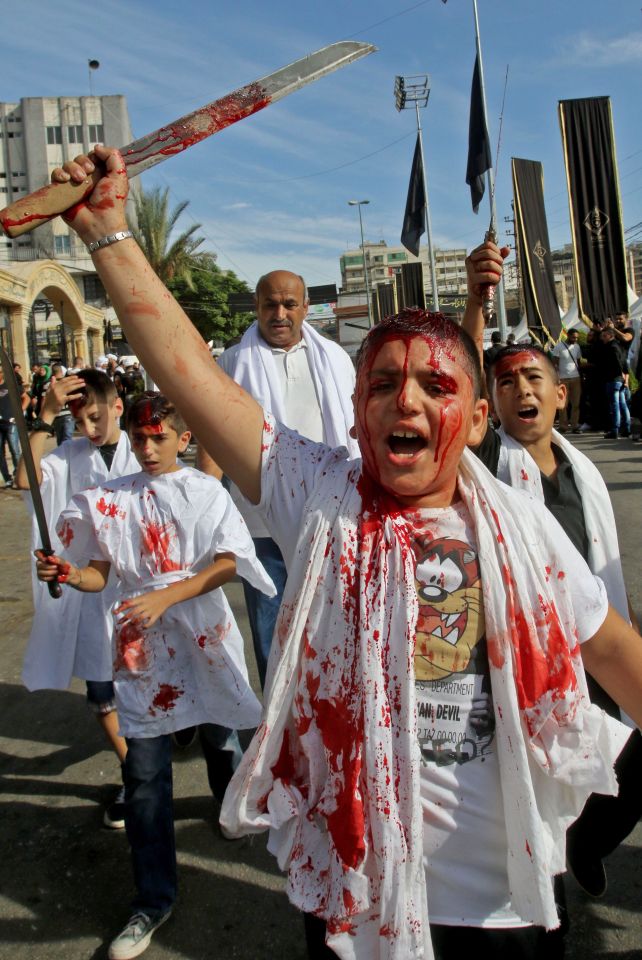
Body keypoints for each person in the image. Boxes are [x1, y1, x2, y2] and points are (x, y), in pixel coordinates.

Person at [53, 145, 642, 960]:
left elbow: (612, 649)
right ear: (358, 417)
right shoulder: (318, 493)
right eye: (383, 384)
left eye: (437, 386)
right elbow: (191, 376)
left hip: (508, 907)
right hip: (356, 897)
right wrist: (111, 234)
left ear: (476, 421)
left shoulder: (523, 527)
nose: (407, 397)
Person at [36, 391, 274, 960]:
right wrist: (70, 572)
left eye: (157, 437)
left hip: (202, 635)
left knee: (220, 732)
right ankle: (152, 898)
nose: (145, 447)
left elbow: (226, 562)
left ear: (183, 439)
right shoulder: (109, 500)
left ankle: (227, 806)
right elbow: (100, 575)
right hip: (141, 648)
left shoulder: (205, 493)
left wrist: (171, 594)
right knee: (144, 772)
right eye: (139, 438)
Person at [463, 322, 642, 901]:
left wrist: (629, 625)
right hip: (528, 658)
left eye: (533, 377)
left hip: (598, 646)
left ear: (560, 392)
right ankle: (546, 896)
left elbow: (604, 561)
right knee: (543, 783)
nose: (522, 390)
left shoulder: (582, 470)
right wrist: (474, 302)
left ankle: (585, 844)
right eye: (507, 382)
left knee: (624, 766)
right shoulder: (490, 463)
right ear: (491, 403)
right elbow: (463, 384)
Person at [212, 269, 358, 687]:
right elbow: (215, 440)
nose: (280, 313)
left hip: (330, 515)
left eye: (289, 304)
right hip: (260, 522)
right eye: (270, 304)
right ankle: (281, 729)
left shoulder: (334, 358)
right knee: (271, 629)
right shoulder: (233, 363)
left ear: (305, 308)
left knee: (334, 623)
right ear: (257, 307)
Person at [15, 368, 139, 827]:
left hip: (140, 592)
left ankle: (152, 761)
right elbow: (25, 481)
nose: (89, 430)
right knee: (102, 691)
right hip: (90, 592)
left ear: (117, 407)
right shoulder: (69, 455)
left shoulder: (144, 448)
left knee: (148, 686)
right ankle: (134, 774)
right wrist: (45, 414)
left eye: (95, 418)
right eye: (79, 421)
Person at [600, 326, 631, 438]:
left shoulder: (611, 347)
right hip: (620, 379)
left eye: (604, 336)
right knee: (622, 404)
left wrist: (620, 374)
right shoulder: (620, 346)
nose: (602, 338)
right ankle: (627, 428)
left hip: (613, 379)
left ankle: (615, 430)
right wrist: (625, 377)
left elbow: (618, 363)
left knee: (615, 405)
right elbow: (625, 363)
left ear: (610, 335)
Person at [550, 330, 582, 433]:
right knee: (563, 403)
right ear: (567, 336)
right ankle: (563, 425)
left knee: (576, 403)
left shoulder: (577, 347)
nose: (575, 339)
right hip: (563, 378)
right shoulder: (559, 346)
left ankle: (574, 425)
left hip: (576, 378)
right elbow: (554, 363)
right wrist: (556, 377)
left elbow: (578, 362)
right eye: (573, 337)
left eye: (577, 338)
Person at [0, 365, 23, 487]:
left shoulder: (10, 385)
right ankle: (7, 479)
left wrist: (18, 414)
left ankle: (19, 477)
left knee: (14, 450)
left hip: (10, 423)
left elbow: (26, 398)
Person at [48, 363, 76, 444]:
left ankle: (64, 456)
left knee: (60, 441)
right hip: (69, 414)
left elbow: (46, 400)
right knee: (67, 438)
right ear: (61, 371)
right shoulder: (68, 382)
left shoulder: (49, 385)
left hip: (57, 415)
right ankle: (67, 456)